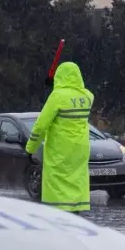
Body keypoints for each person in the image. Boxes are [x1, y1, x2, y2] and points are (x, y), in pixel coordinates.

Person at [25, 61, 94, 213]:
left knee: (58, 183)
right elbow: (72, 99)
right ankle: (76, 209)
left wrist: (30, 148)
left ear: (59, 77)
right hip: (80, 149)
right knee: (77, 178)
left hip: (60, 149)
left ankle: (61, 217)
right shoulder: (88, 96)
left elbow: (41, 125)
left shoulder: (56, 97)